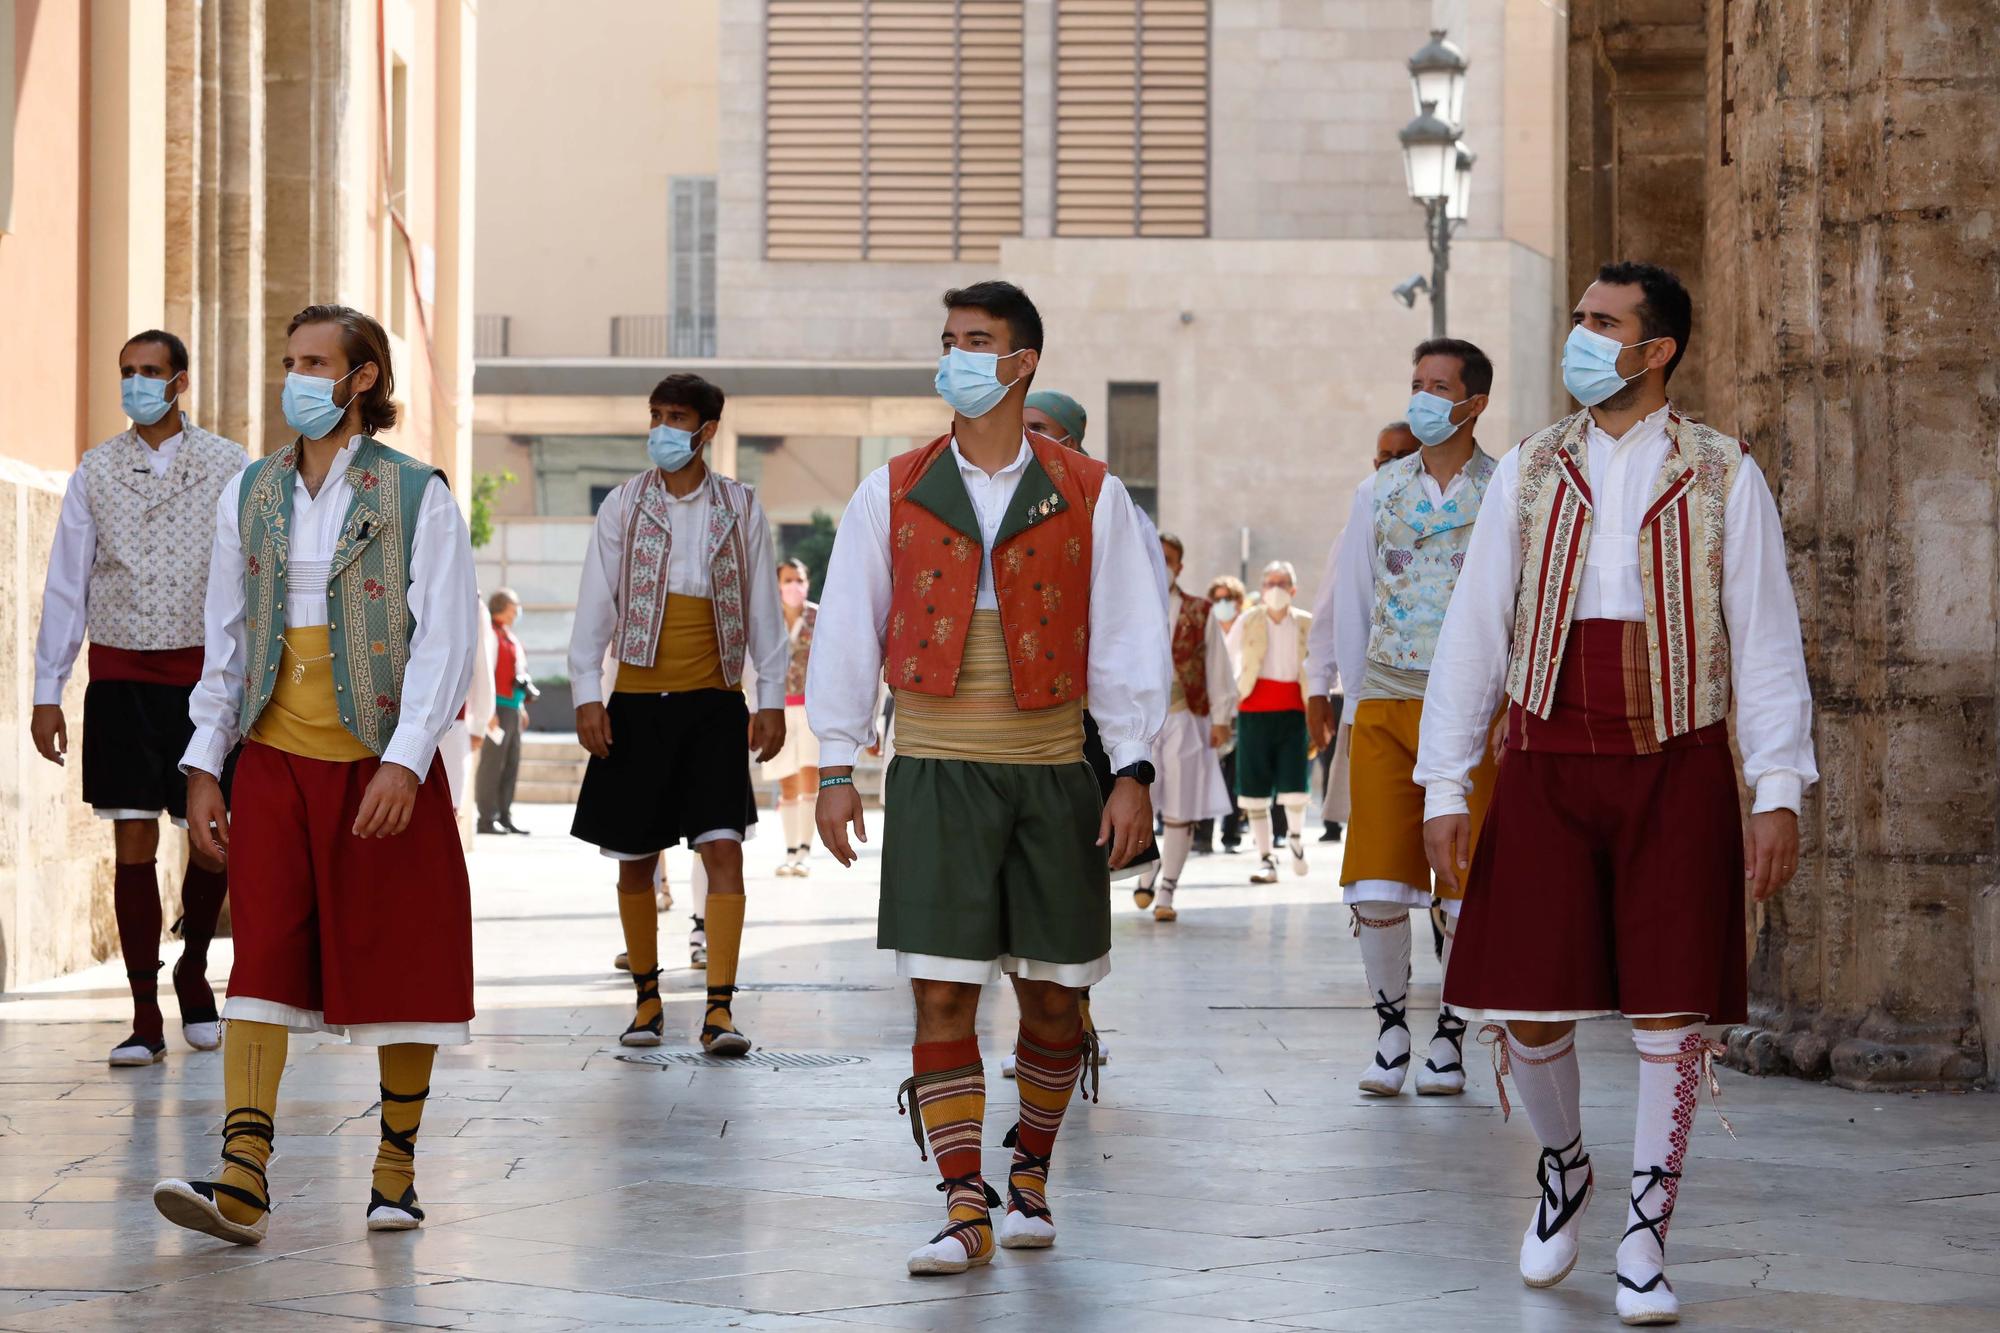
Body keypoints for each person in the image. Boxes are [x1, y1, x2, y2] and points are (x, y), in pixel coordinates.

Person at [1416, 263, 1816, 1325]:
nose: (1579, 338)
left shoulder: (1724, 473)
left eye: (1602, 324)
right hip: (1544, 752)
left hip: (1675, 753)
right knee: (1523, 1002)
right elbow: (1474, 625)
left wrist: (1775, 786)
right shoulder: (1532, 469)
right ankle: (1562, 1166)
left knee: (1667, 1003)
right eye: (1578, 321)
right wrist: (1442, 779)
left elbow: (1765, 640)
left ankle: (1646, 1227)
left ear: (1656, 350)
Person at [810, 281, 1168, 1276]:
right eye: (948, 340)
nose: (956, 357)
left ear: (1021, 365)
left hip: (1052, 768)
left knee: (1054, 999)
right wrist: (834, 764)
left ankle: (1030, 1175)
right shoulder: (888, 488)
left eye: (977, 342)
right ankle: (961, 1198)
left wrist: (1131, 767)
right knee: (940, 998)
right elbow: (845, 626)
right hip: (931, 766)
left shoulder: (1091, 492)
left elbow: (1133, 641)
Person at [152, 304, 480, 1245]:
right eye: (289, 359)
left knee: (402, 955)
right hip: (275, 763)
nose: (296, 377)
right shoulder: (249, 493)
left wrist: (406, 761)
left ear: (362, 377)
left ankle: (395, 1170)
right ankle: (243, 1180)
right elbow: (226, 639)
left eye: (314, 362)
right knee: (259, 956)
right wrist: (206, 764)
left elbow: (445, 641)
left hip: (379, 762)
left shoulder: (420, 494)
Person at [31, 330, 249, 1066]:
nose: (136, 384)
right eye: (127, 372)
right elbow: (68, 581)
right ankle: (142, 1010)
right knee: (132, 837)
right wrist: (47, 688)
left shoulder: (228, 466)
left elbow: (250, 576)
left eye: (150, 372)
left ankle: (194, 965)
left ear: (180, 381)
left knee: (211, 837)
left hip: (205, 681)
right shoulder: (95, 470)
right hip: (122, 676)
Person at [569, 373, 788, 1056]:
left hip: (715, 705)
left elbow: (760, 608)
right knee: (636, 857)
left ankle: (719, 1010)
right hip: (635, 703)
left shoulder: (741, 506)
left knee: (723, 847)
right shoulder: (624, 506)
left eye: (677, 416)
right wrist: (585, 691)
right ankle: (646, 999)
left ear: (707, 429)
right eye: (657, 414)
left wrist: (772, 697)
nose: (663, 427)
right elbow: (595, 601)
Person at [1316, 342, 1503, 1100]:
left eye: (1440, 387)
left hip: (1472, 708)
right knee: (1377, 883)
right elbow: (1354, 600)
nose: (1424, 398)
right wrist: (1358, 700)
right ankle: (1392, 1027)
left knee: (1464, 884)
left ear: (1475, 402)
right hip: (1389, 705)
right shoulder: (1379, 492)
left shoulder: (1504, 491)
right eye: (1416, 385)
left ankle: (1451, 1037)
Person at [1131, 533, 1235, 921]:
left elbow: (1218, 667)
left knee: (1180, 807)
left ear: (1180, 565)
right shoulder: (1129, 606)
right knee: (1142, 801)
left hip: (1185, 718)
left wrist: (1221, 718)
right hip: (1140, 723)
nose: (1161, 564)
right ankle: (1146, 872)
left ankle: (1167, 891)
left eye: (1168, 558)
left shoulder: (1200, 610)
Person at [1227, 560, 1314, 883]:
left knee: (1294, 783)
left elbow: (1321, 664)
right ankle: (1265, 857)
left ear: (1293, 589)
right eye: (1270, 583)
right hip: (1253, 711)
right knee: (1254, 786)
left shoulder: (1306, 623)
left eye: (1282, 583)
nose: (1276, 589)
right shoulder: (1248, 620)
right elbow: (1228, 658)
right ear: (1262, 590)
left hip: (1294, 712)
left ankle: (1295, 839)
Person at [762, 558, 821, 875]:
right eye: (788, 580)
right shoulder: (768, 620)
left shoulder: (819, 616)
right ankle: (789, 850)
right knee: (787, 780)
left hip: (811, 709)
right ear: (777, 585)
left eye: (799, 580)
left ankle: (805, 851)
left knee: (809, 775)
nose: (794, 586)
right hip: (778, 710)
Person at [1196, 575, 1249, 854]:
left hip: (1242, 710)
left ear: (1238, 601)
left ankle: (1231, 835)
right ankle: (1202, 835)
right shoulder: (1206, 627)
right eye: (1216, 599)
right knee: (1206, 774)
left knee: (1234, 778)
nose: (1221, 604)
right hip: (1212, 711)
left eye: (1227, 598)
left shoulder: (1250, 627)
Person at [475, 588, 534, 835]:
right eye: (514, 606)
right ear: (503, 607)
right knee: (492, 764)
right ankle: (487, 818)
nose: (517, 610)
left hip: (512, 707)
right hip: (497, 707)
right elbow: (486, 673)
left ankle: (504, 815)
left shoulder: (510, 636)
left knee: (510, 763)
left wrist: (521, 708)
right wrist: (488, 710)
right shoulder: (490, 633)